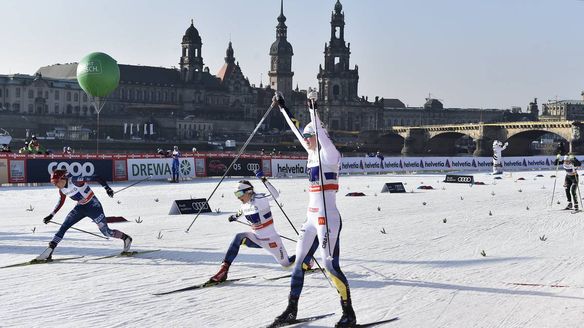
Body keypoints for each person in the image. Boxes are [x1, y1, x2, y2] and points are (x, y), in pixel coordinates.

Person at [271, 90, 356, 327]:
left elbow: (316, 129)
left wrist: (312, 106)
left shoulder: (329, 153)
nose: (306, 140)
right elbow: (296, 129)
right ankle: (291, 310)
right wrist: (282, 107)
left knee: (330, 265)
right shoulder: (310, 152)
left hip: (328, 218)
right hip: (311, 218)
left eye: (310, 137)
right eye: (306, 137)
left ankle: (348, 314)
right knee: (298, 264)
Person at [208, 176, 311, 283]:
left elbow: (275, 195)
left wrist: (265, 181)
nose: (238, 197)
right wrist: (234, 217)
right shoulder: (244, 205)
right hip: (256, 239)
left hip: (272, 241)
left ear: (248, 191)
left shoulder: (260, 199)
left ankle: (306, 259)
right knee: (238, 237)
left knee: (286, 264)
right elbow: (240, 212)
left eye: (239, 194)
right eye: (236, 194)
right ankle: (223, 270)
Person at [35, 169, 133, 261]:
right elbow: (61, 201)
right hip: (80, 208)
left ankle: (126, 238)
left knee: (106, 232)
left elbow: (96, 177)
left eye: (56, 182)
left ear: (63, 178)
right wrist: (51, 215)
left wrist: (107, 188)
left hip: (94, 207)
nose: (55, 185)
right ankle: (50, 249)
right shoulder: (61, 189)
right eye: (53, 183)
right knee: (64, 226)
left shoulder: (75, 180)